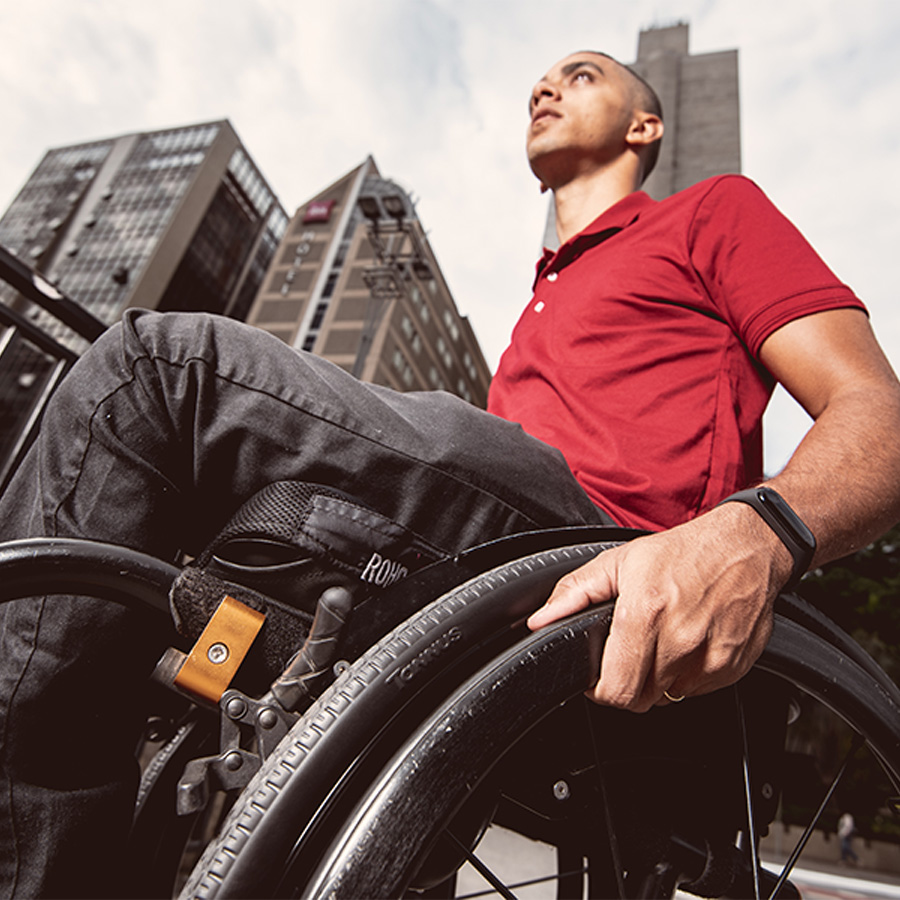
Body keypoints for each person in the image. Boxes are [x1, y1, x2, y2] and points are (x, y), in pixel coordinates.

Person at [0, 49, 898, 898]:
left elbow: (878, 417)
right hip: (493, 567)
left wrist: (761, 531)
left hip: (605, 544)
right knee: (166, 528)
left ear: (645, 128)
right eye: (537, 82)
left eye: (579, 76)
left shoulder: (711, 212)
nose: (544, 90)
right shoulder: (540, 305)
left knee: (151, 372)